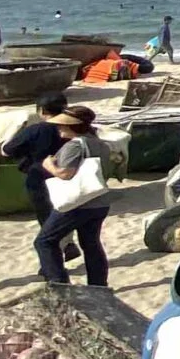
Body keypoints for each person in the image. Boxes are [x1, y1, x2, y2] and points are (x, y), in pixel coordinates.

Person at [33, 107, 111, 287]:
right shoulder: (100, 143)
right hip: (99, 202)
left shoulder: (75, 145)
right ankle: (98, 286)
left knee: (44, 241)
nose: (59, 128)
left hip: (77, 204)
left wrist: (48, 165)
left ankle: (59, 284)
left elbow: (65, 173)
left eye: (62, 125)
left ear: (73, 126)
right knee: (91, 244)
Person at [4, 93, 79, 262]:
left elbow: (7, 150)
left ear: (41, 110)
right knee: (65, 211)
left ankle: (53, 262)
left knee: (47, 220)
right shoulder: (74, 128)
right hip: (69, 176)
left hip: (39, 178)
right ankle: (68, 244)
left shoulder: (35, 130)